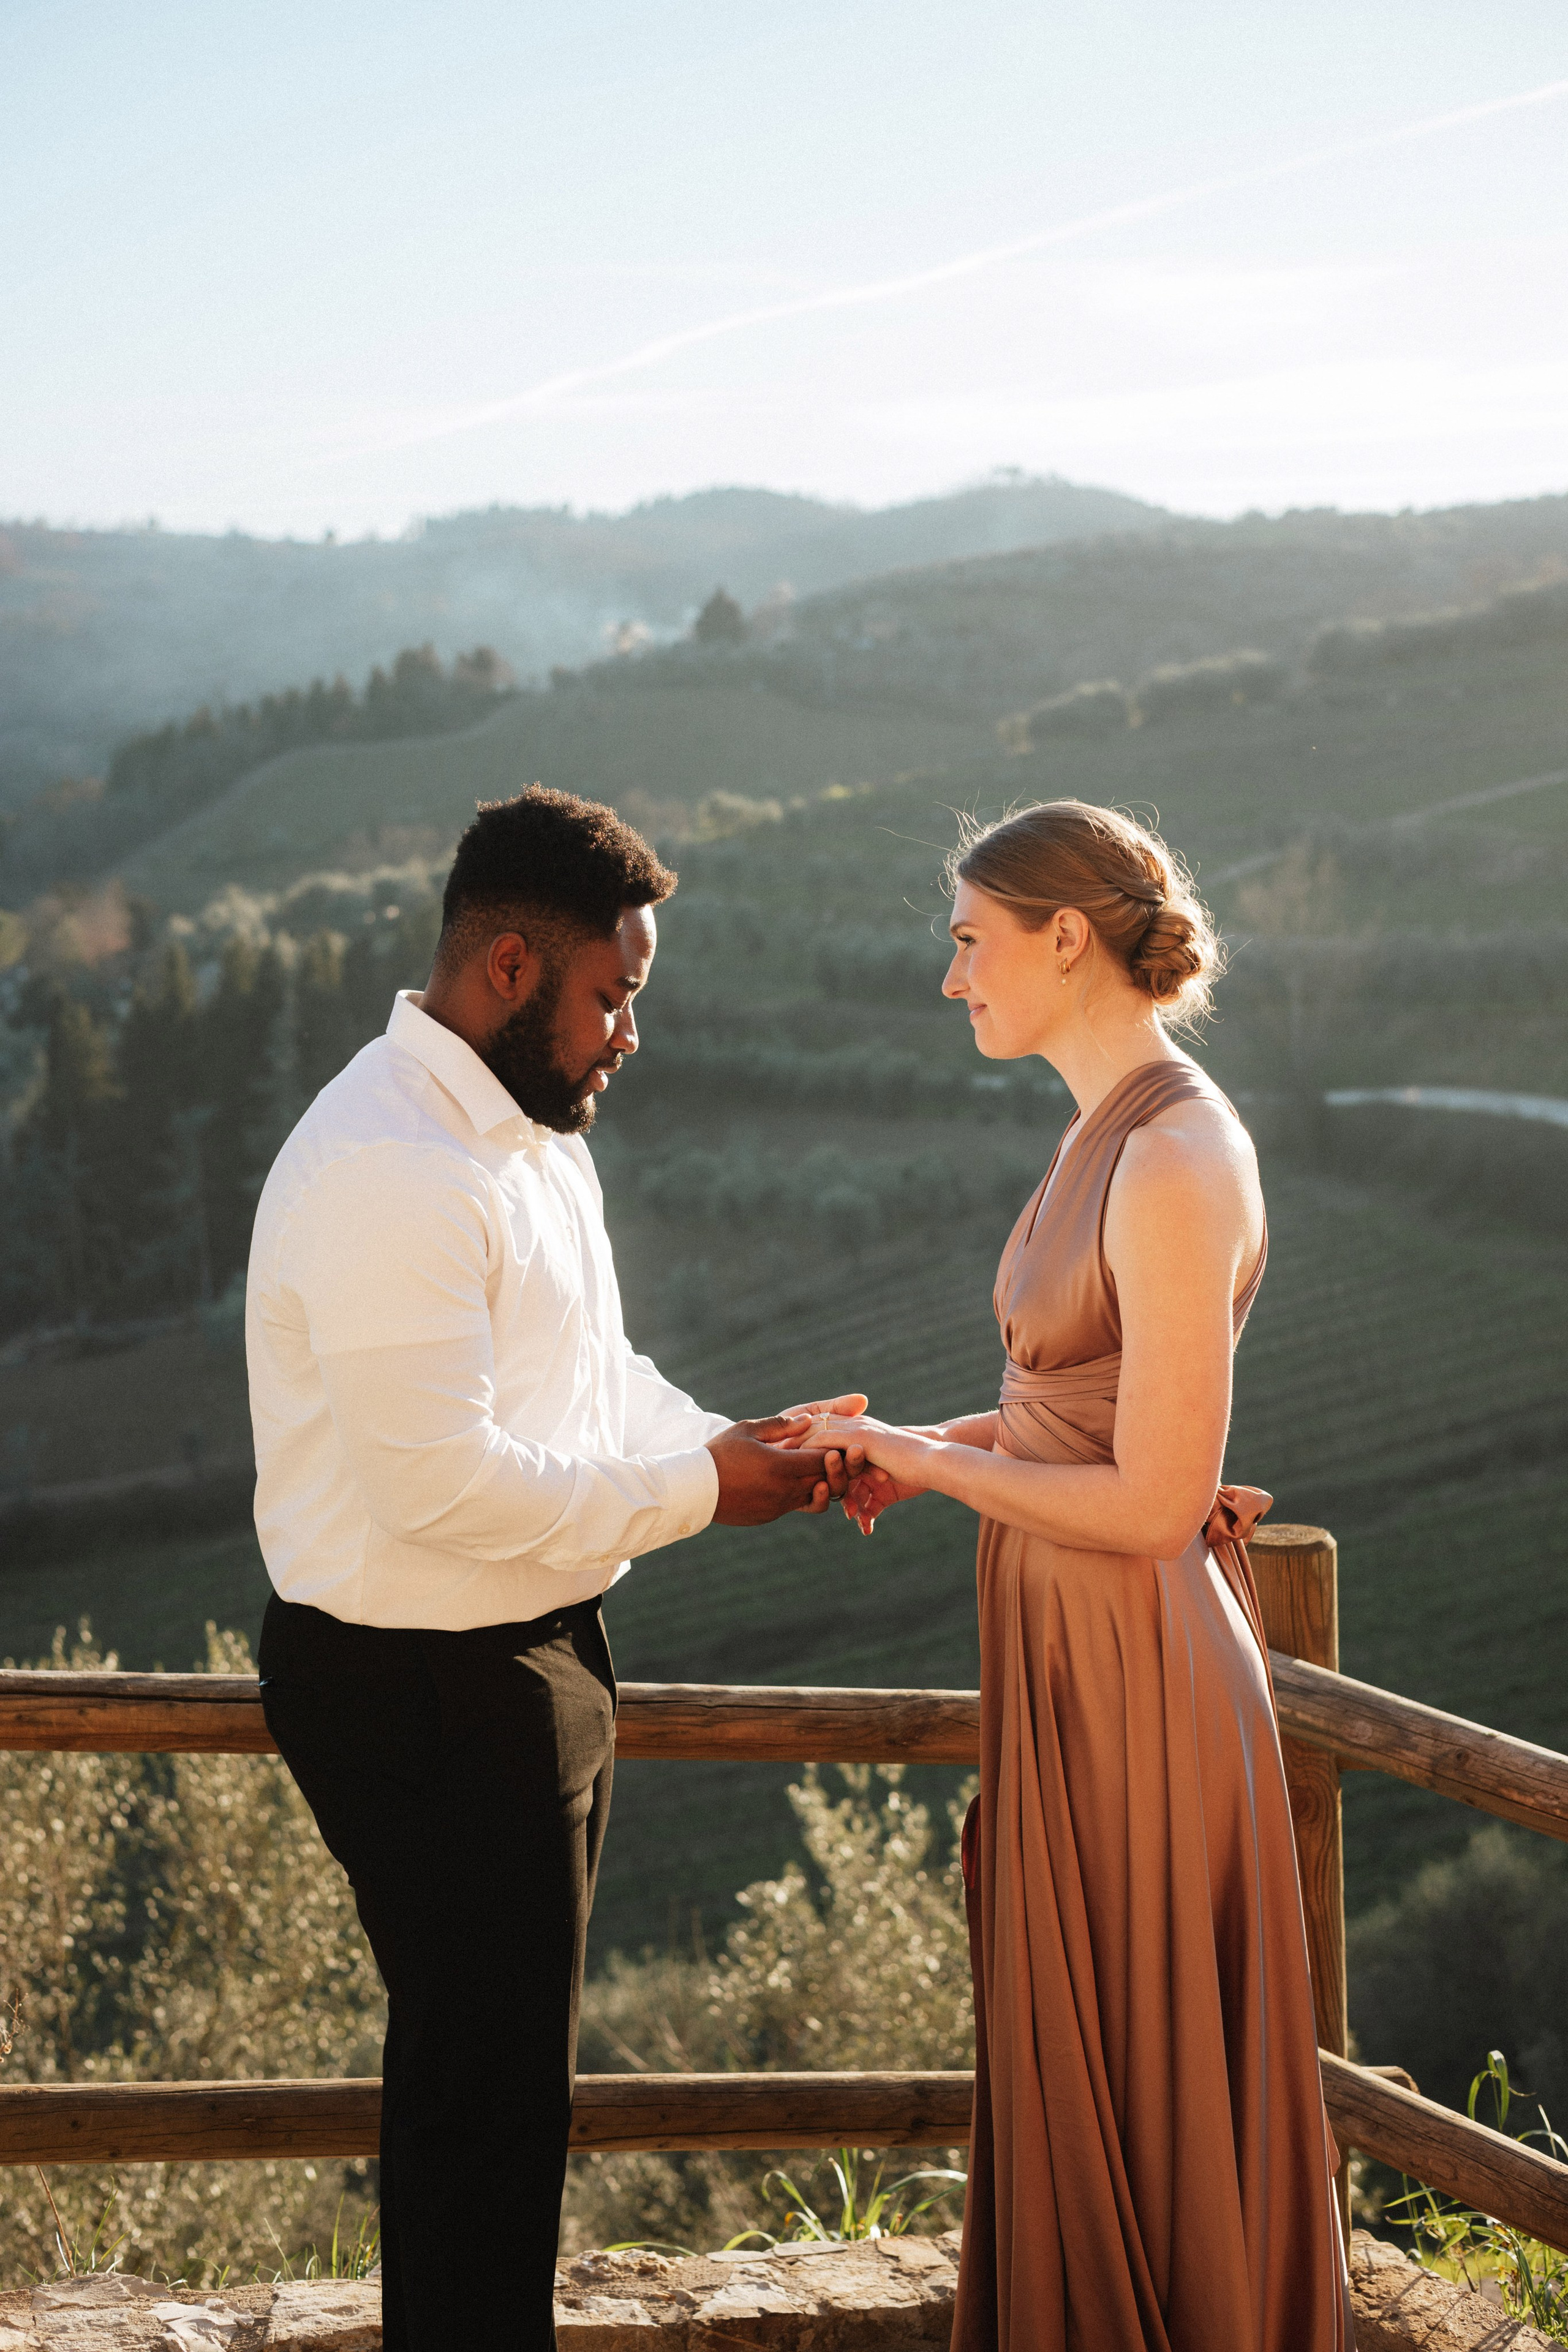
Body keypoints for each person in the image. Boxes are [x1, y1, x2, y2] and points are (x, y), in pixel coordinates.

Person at [246, 786, 860, 2352]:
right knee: (481, 2105)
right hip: (417, 1686)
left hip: (524, 1659)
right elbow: (439, 1486)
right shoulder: (393, 1167)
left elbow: (591, 1381)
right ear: (509, 968)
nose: (627, 1035)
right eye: (612, 995)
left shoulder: (528, 1140)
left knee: (507, 2094)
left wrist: (735, 1443)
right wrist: (701, 1492)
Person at [810, 801, 1351, 2351]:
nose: (950, 977)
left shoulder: (1174, 1155)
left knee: (1146, 2069)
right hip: (1067, 1652)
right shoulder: (1097, 1133)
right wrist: (910, 1441)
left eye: (968, 940)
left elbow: (1156, 1500)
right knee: (1085, 2059)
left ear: (1064, 938)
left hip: (1138, 1671)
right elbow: (1070, 1416)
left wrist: (926, 1465)